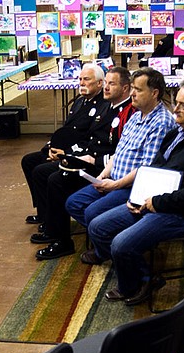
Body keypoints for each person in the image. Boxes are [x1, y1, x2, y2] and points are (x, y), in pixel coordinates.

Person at [87, 79, 184, 306]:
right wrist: (139, 197)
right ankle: (143, 276)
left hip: (182, 213)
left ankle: (135, 283)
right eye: (176, 103)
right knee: (98, 226)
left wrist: (156, 202)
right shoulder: (177, 134)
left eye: (183, 105)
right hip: (155, 201)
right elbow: (155, 169)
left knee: (121, 244)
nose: (176, 109)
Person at [62, 67, 176, 265]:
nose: (132, 93)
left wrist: (115, 185)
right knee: (73, 203)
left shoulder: (161, 122)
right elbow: (118, 152)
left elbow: (146, 169)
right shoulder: (135, 116)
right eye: (132, 88)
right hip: (114, 178)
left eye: (138, 90)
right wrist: (104, 176)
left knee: (92, 213)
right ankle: (110, 246)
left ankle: (118, 248)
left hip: (132, 186)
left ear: (154, 93)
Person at [34, 65, 136, 260]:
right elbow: (89, 138)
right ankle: (52, 226)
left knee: (56, 180)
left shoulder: (127, 113)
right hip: (93, 160)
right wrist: (72, 154)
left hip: (104, 167)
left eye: (110, 84)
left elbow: (119, 150)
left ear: (125, 88)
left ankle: (62, 240)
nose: (106, 87)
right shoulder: (109, 107)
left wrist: (91, 160)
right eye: (105, 83)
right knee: (46, 171)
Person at [21, 64, 106, 230]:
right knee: (29, 161)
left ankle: (50, 220)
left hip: (77, 154)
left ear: (99, 83)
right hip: (63, 149)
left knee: (42, 171)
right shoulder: (79, 102)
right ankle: (42, 211)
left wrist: (64, 153)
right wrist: (50, 148)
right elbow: (66, 131)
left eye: (87, 79)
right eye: (80, 79)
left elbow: (88, 138)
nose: (82, 83)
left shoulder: (102, 106)